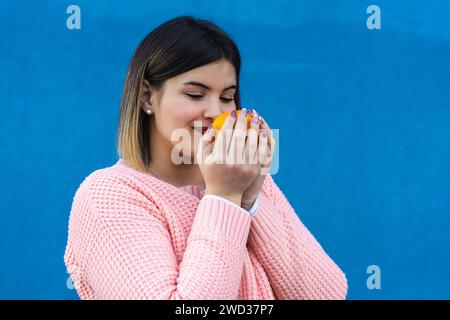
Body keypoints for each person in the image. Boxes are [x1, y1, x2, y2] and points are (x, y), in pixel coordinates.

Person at [64, 16, 348, 300]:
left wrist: (249, 200)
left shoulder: (239, 176)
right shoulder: (108, 196)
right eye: (196, 94)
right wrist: (224, 197)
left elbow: (327, 296)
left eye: (227, 97)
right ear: (146, 97)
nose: (215, 112)